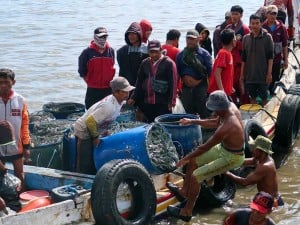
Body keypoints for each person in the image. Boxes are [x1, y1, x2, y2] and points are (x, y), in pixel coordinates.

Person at [167, 90, 245, 222]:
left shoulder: (228, 125)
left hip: (232, 157)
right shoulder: (228, 108)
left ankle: (187, 211)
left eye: (214, 109)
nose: (212, 112)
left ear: (220, 109)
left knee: (196, 176)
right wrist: (193, 121)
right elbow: (215, 122)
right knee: (194, 159)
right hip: (223, 148)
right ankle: (184, 191)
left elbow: (205, 147)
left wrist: (184, 159)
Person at [74, 77, 135, 174]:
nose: (127, 94)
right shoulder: (108, 107)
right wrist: (95, 137)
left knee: (93, 159)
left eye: (128, 91)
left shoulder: (119, 102)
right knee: (84, 162)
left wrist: (104, 130)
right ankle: (80, 180)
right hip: (84, 130)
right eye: (124, 92)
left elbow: (104, 119)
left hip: (95, 128)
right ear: (116, 92)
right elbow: (90, 121)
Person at [225, 135, 284, 206]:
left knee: (230, 209)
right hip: (268, 199)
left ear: (261, 150)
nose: (251, 150)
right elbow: (243, 162)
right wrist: (227, 162)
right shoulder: (260, 158)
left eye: (253, 148)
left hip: (271, 203)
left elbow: (244, 182)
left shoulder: (265, 166)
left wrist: (226, 173)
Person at [128, 40, 178, 122]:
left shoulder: (169, 63)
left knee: (162, 123)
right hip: (148, 100)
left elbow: (173, 83)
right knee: (150, 122)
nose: (154, 54)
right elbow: (139, 81)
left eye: (156, 51)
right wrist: (134, 97)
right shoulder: (145, 63)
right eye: (151, 52)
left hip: (163, 102)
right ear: (148, 51)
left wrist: (172, 101)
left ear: (161, 50)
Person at [0, 69, 31, 192]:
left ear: (13, 82)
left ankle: (21, 197)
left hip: (16, 145)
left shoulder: (20, 100)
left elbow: (25, 124)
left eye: (6, 82)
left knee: (20, 174)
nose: (3, 85)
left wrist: (27, 146)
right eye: (0, 82)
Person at [176, 30, 212, 119]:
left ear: (198, 40)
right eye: (188, 38)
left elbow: (211, 72)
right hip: (186, 88)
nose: (190, 41)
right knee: (187, 111)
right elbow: (177, 74)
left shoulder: (204, 54)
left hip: (201, 86)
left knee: (202, 109)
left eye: (192, 39)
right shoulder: (180, 55)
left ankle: (205, 129)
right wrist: (176, 91)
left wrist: (210, 90)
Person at [78, 27, 116, 110]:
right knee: (91, 114)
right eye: (100, 37)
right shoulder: (87, 52)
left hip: (108, 89)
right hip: (93, 90)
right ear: (95, 37)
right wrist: (90, 82)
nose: (103, 39)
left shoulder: (111, 51)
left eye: (105, 37)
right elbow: (82, 71)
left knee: (107, 113)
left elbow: (112, 67)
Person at [240, 14, 274, 106]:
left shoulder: (267, 37)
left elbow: (271, 57)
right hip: (250, 76)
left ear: (261, 24)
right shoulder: (246, 38)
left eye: (257, 23)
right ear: (249, 24)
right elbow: (244, 58)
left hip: (263, 75)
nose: (255, 26)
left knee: (264, 98)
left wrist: (269, 74)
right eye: (253, 23)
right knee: (252, 98)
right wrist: (242, 74)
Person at [227, 5, 251, 106]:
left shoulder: (245, 29)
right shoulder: (228, 28)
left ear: (241, 15)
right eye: (232, 14)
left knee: (242, 85)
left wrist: (237, 44)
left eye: (236, 14)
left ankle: (245, 105)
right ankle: (233, 105)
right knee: (230, 84)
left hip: (241, 62)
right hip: (230, 61)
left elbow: (248, 46)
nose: (234, 16)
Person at [262, 5, 289, 95]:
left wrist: (286, 60)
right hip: (264, 59)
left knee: (275, 78)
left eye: (275, 14)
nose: (273, 16)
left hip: (277, 58)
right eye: (270, 13)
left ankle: (274, 95)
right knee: (264, 78)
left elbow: (285, 45)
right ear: (266, 14)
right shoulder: (262, 27)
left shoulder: (281, 27)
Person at [117, 22, 149, 86]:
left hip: (142, 84)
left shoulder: (147, 50)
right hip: (126, 85)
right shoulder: (121, 51)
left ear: (139, 35)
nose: (131, 36)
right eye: (129, 34)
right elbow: (122, 70)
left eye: (133, 34)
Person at [208, 28, 236, 97]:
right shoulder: (223, 53)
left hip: (224, 92)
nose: (236, 40)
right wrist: (222, 91)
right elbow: (217, 73)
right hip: (219, 94)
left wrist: (230, 86)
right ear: (232, 40)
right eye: (235, 37)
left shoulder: (227, 53)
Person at [161, 29, 182, 93]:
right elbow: (179, 70)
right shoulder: (177, 51)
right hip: (173, 84)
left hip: (159, 83)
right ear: (176, 39)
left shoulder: (159, 48)